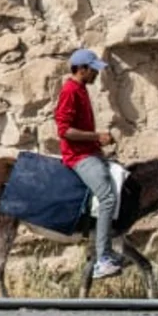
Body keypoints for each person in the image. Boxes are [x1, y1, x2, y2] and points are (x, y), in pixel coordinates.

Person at [54, 47, 123, 279]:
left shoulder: (81, 89)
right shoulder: (70, 91)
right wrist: (97, 137)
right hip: (78, 157)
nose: (96, 74)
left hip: (89, 152)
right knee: (107, 196)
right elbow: (64, 131)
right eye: (93, 70)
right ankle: (102, 258)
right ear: (81, 69)